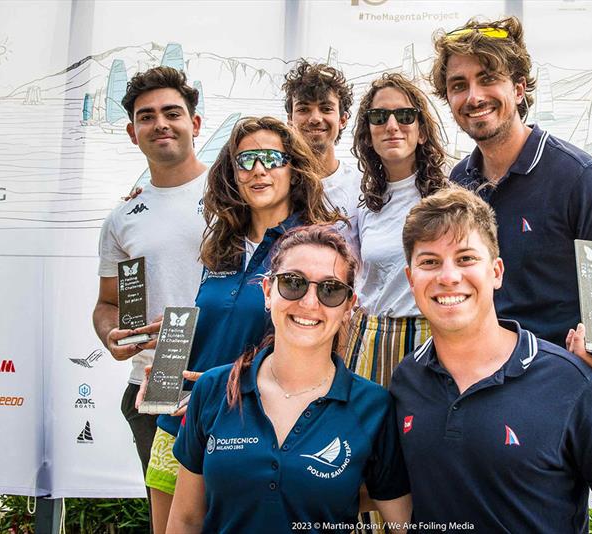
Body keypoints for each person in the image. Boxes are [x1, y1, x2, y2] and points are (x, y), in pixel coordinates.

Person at [390, 187, 592, 533]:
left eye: (466, 258)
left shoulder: (568, 382)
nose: (448, 277)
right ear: (411, 279)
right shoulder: (406, 380)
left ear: (496, 272)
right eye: (430, 262)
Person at [429, 17, 592, 383]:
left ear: (518, 89)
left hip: (559, 387)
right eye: (459, 85)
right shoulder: (459, 182)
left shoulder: (580, 179)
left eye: (488, 79)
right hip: (475, 383)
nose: (473, 97)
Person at [144, 116, 343, 533]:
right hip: (178, 421)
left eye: (271, 158)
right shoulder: (220, 242)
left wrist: (224, 379)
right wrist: (162, 375)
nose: (258, 169)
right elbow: (207, 324)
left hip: (250, 429)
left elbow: (318, 343)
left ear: (294, 168)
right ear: (231, 173)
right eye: (245, 160)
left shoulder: (313, 245)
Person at [168, 225, 411, 533]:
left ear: (349, 307)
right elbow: (186, 519)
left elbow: (405, 524)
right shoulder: (214, 390)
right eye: (293, 283)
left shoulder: (373, 408)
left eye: (330, 290)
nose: (310, 303)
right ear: (268, 291)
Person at [92, 66, 207, 527]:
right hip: (155, 384)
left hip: (229, 374)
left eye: (171, 112)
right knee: (173, 524)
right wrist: (110, 335)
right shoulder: (123, 217)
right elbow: (108, 305)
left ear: (195, 124)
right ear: (131, 131)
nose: (160, 123)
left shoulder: (237, 192)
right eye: (147, 116)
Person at [344, 73, 447, 387]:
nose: (392, 125)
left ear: (422, 132)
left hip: (429, 338)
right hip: (368, 339)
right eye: (379, 116)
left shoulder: (447, 196)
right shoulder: (364, 203)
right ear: (368, 133)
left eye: (404, 115)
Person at [282, 60, 362, 257]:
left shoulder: (362, 186)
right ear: (290, 119)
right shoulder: (276, 183)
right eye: (303, 109)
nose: (315, 118)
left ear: (342, 120)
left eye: (326, 109)